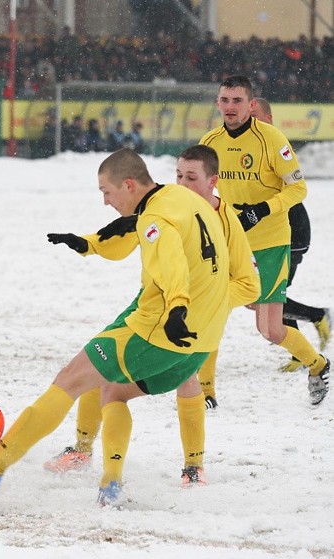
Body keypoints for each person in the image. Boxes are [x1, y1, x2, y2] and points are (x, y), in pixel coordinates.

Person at [0, 149, 242, 507]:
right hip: (200, 342)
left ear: (128, 185)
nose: (105, 201)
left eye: (106, 192)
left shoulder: (156, 218)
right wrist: (89, 244)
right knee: (113, 393)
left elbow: (169, 257)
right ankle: (110, 484)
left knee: (70, 379)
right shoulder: (183, 200)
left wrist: (177, 309)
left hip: (161, 330)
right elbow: (129, 233)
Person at [42, 145, 260, 478]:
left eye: (192, 177)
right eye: (178, 175)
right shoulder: (170, 205)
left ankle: (192, 466)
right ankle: (84, 451)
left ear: (212, 181)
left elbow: (249, 285)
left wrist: (206, 300)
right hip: (158, 306)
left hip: (191, 317)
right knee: (103, 366)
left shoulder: (225, 220)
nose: (183, 183)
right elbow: (127, 234)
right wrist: (87, 243)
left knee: (176, 381)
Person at [200, 75, 329, 405]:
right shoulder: (210, 141)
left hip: (271, 240)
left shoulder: (272, 139)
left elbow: (298, 188)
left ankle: (318, 364)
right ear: (218, 103)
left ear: (251, 105)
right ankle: (206, 391)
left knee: (271, 331)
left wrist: (262, 209)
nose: (230, 107)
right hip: (231, 239)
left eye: (237, 101)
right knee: (212, 309)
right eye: (225, 100)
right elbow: (200, 191)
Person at [251, 97, 330, 371]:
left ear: (269, 120)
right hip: (266, 232)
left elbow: (295, 188)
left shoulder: (274, 144)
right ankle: (301, 348)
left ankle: (319, 316)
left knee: (265, 298)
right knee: (263, 298)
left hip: (290, 231)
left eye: (255, 116)